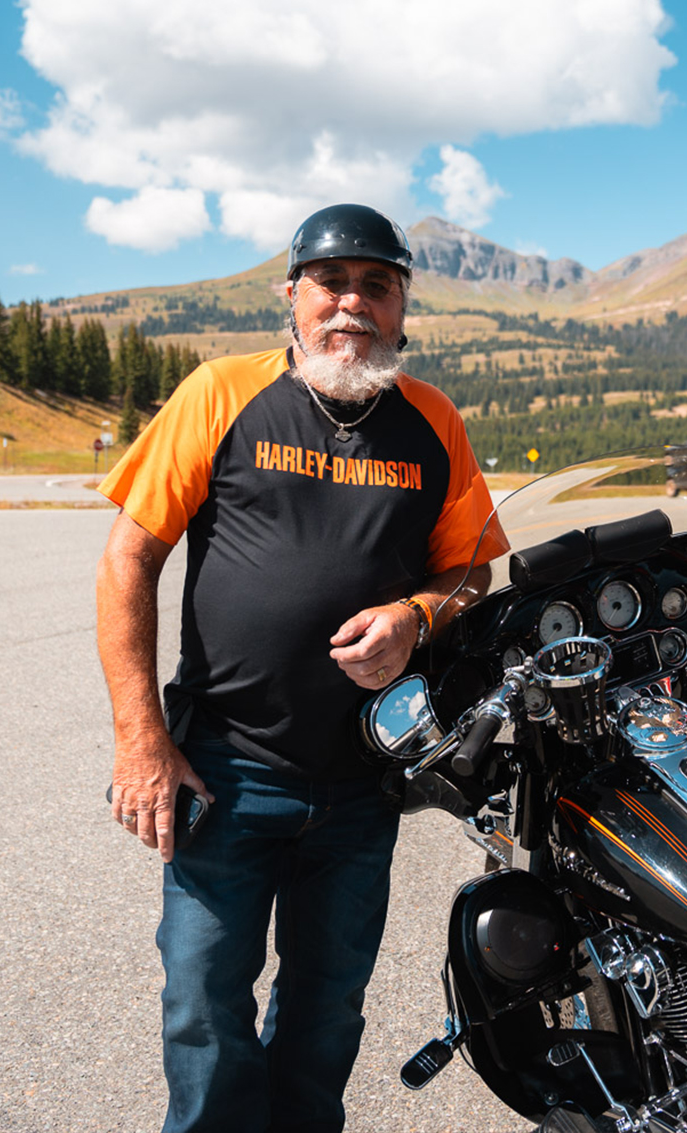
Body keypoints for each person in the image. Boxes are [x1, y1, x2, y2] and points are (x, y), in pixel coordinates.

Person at [96, 202, 507, 1131]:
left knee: (326, 1015)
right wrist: (140, 740)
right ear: (292, 296)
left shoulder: (432, 420)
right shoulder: (220, 392)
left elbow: (474, 569)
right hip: (224, 769)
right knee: (203, 1008)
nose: (352, 304)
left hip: (362, 784)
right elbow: (129, 558)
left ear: (404, 307)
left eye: (377, 285)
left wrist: (415, 616)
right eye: (331, 282)